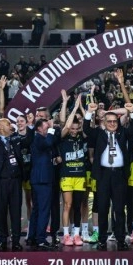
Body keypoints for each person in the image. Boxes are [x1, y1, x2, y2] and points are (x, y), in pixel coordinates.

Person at [83, 101, 133, 250]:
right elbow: (86, 128)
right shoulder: (99, 133)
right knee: (102, 208)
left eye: (115, 121)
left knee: (119, 210)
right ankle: (102, 240)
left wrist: (132, 111)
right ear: (104, 122)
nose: (112, 124)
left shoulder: (123, 133)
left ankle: (121, 240)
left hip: (119, 175)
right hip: (103, 175)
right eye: (109, 121)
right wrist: (89, 112)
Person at [0, 118, 25, 251]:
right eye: (8, 124)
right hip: (0, 182)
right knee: (0, 212)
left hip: (15, 181)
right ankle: (3, 240)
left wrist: (30, 126)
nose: (11, 125)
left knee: (16, 212)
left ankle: (16, 241)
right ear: (1, 127)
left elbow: (29, 140)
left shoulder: (15, 140)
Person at [58, 95, 88, 246]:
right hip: (67, 176)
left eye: (77, 128)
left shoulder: (82, 137)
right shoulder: (63, 137)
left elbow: (88, 124)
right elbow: (65, 124)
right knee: (67, 205)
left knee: (77, 206)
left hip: (80, 176)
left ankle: (76, 234)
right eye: (72, 129)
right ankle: (66, 235)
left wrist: (81, 108)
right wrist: (74, 108)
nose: (74, 131)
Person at [29, 118, 58, 250]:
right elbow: (48, 142)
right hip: (42, 180)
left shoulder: (39, 139)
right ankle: (40, 239)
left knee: (37, 210)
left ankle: (33, 237)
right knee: (43, 210)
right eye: (46, 126)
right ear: (39, 128)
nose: (49, 127)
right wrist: (51, 129)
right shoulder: (39, 138)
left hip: (39, 179)